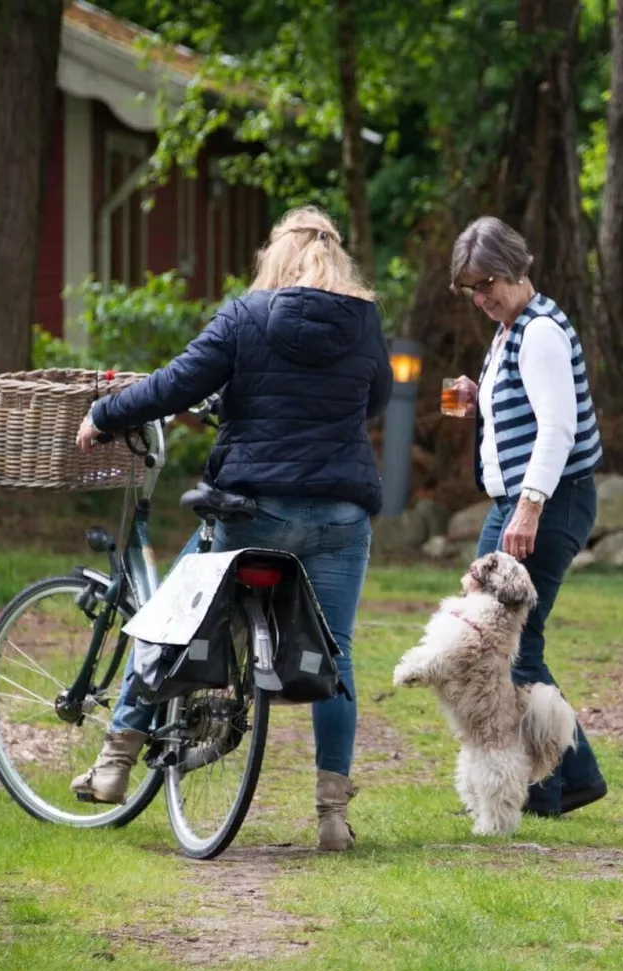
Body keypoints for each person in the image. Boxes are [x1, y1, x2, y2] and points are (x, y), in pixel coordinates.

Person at [69, 206, 392, 852]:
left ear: (277, 254)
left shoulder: (246, 317)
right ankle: (331, 817)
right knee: (337, 654)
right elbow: (375, 401)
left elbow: (176, 383)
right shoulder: (364, 323)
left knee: (168, 615)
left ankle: (115, 760)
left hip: (256, 510)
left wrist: (105, 414)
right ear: (335, 257)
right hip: (339, 517)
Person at [444, 215, 607, 817]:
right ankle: (572, 774)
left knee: (510, 644)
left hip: (547, 498)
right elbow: (526, 404)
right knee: (503, 641)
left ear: (516, 268)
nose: (482, 296)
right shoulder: (513, 328)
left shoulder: (538, 332)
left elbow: (558, 427)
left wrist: (530, 506)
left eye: (488, 282)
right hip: (521, 499)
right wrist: (479, 397)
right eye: (471, 288)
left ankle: (552, 782)